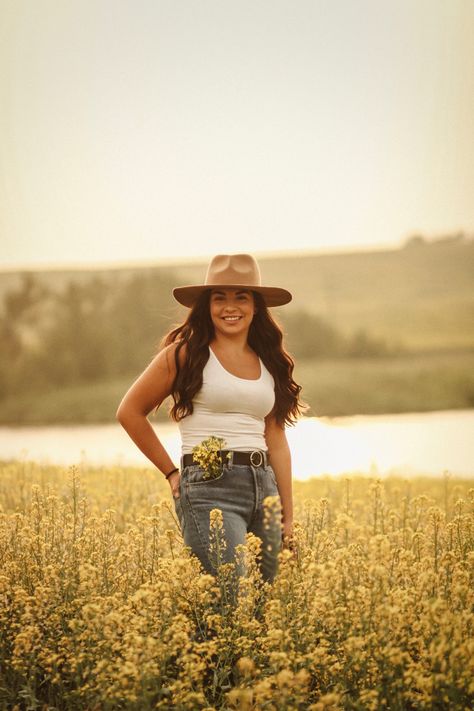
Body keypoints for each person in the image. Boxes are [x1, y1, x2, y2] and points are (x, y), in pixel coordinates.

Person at [116, 253, 303, 587]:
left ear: (256, 305)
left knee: (270, 600)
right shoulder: (185, 353)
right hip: (209, 487)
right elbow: (129, 412)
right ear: (206, 306)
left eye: (241, 297)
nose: (230, 307)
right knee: (226, 598)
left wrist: (289, 517)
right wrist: (173, 474)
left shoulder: (269, 360)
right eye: (220, 298)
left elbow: (277, 441)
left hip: (265, 484)